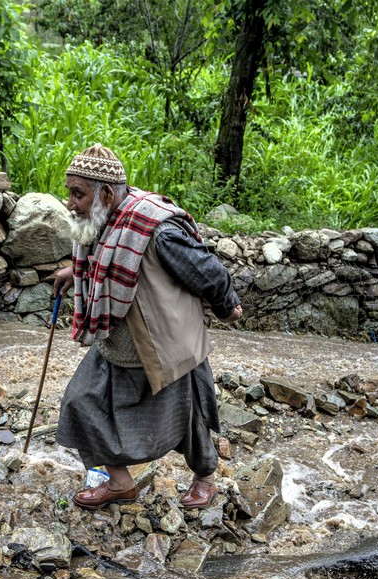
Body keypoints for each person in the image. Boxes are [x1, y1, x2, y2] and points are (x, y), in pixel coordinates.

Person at [52, 144, 243, 511]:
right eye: (70, 192)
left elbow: (209, 272)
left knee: (190, 417)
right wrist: (73, 271)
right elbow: (104, 254)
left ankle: (205, 479)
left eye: (78, 193)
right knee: (80, 402)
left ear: (106, 193)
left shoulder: (157, 230)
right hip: (116, 342)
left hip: (164, 342)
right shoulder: (107, 215)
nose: (70, 202)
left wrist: (226, 306)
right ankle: (120, 483)